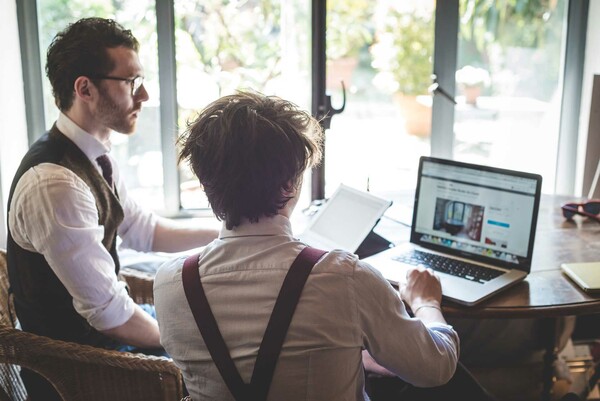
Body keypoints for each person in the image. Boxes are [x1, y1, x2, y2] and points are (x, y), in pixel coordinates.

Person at [154, 91, 462, 400]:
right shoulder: (346, 279)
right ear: (290, 184)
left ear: (206, 183)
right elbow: (436, 367)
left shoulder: (171, 284)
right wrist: (425, 302)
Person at [6, 17, 218, 400]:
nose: (145, 95)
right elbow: (109, 313)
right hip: (82, 371)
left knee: (220, 328)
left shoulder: (94, 155)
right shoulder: (55, 184)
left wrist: (225, 231)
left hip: (106, 340)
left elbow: (146, 231)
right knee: (225, 358)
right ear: (85, 88)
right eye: (131, 82)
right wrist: (186, 344)